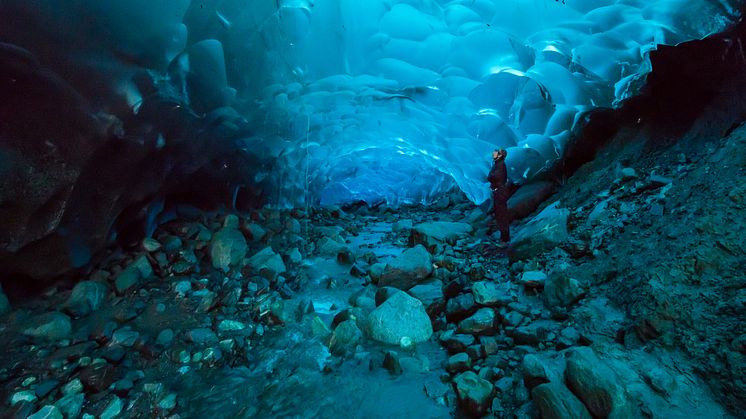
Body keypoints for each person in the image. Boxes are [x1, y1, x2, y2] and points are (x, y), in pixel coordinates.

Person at [487, 149, 511, 243]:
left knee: (502, 215)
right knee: (499, 215)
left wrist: (491, 176)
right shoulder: (497, 164)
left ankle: (504, 239)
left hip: (500, 192)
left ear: (500, 155)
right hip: (498, 191)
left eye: (496, 152)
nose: (493, 153)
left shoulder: (500, 165)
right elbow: (491, 176)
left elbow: (492, 177)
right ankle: (503, 237)